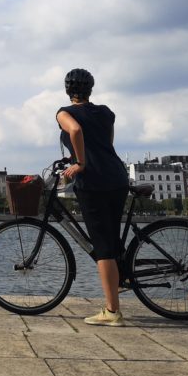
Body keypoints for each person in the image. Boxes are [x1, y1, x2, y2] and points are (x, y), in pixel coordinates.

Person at [57, 68, 130, 326]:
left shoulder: (65, 113)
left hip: (94, 182)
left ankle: (112, 312)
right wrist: (80, 157)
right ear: (90, 90)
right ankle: (121, 282)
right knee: (111, 237)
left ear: (68, 90)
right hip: (117, 177)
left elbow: (75, 130)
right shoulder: (106, 113)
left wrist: (80, 162)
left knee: (103, 248)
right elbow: (106, 146)